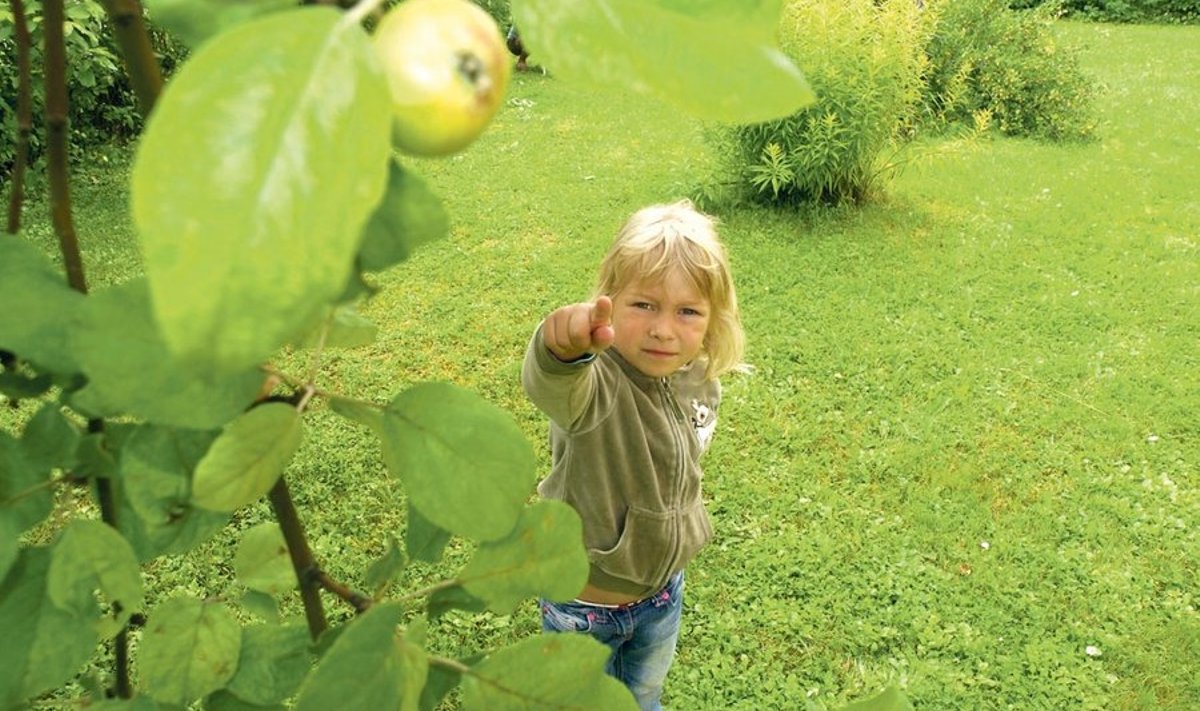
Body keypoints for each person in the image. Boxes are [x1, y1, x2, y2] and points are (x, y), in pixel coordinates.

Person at [522, 199, 746, 710]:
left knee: (644, 697)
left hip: (663, 594)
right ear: (610, 302)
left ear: (711, 321)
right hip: (585, 610)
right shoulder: (595, 385)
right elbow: (552, 382)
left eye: (687, 311)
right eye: (644, 305)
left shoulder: (695, 378)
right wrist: (560, 349)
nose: (664, 329)